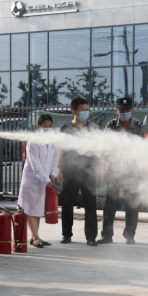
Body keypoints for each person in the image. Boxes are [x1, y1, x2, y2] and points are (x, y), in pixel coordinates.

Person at [98, 98, 147, 245]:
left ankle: (129, 235)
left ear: (131, 110)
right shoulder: (111, 126)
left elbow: (145, 149)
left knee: (132, 203)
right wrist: (103, 169)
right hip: (113, 169)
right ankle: (107, 236)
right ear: (116, 111)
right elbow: (103, 149)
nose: (124, 113)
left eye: (127, 110)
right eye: (121, 110)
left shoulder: (139, 127)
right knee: (110, 203)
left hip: (132, 170)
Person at [58, 97, 99, 246]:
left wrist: (100, 168)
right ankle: (66, 235)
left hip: (89, 172)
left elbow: (99, 150)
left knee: (90, 204)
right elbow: (60, 150)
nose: (86, 112)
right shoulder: (65, 129)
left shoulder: (93, 128)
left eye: (87, 110)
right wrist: (59, 170)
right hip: (70, 171)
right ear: (74, 111)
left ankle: (91, 237)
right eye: (83, 110)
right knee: (67, 204)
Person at [17, 114, 60, 248]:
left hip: (44, 180)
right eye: (44, 126)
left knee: (38, 209)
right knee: (30, 209)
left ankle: (34, 236)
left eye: (50, 126)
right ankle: (35, 237)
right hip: (32, 180)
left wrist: (53, 174)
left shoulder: (53, 141)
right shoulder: (33, 142)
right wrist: (46, 179)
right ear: (38, 127)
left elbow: (55, 159)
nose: (48, 129)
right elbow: (36, 165)